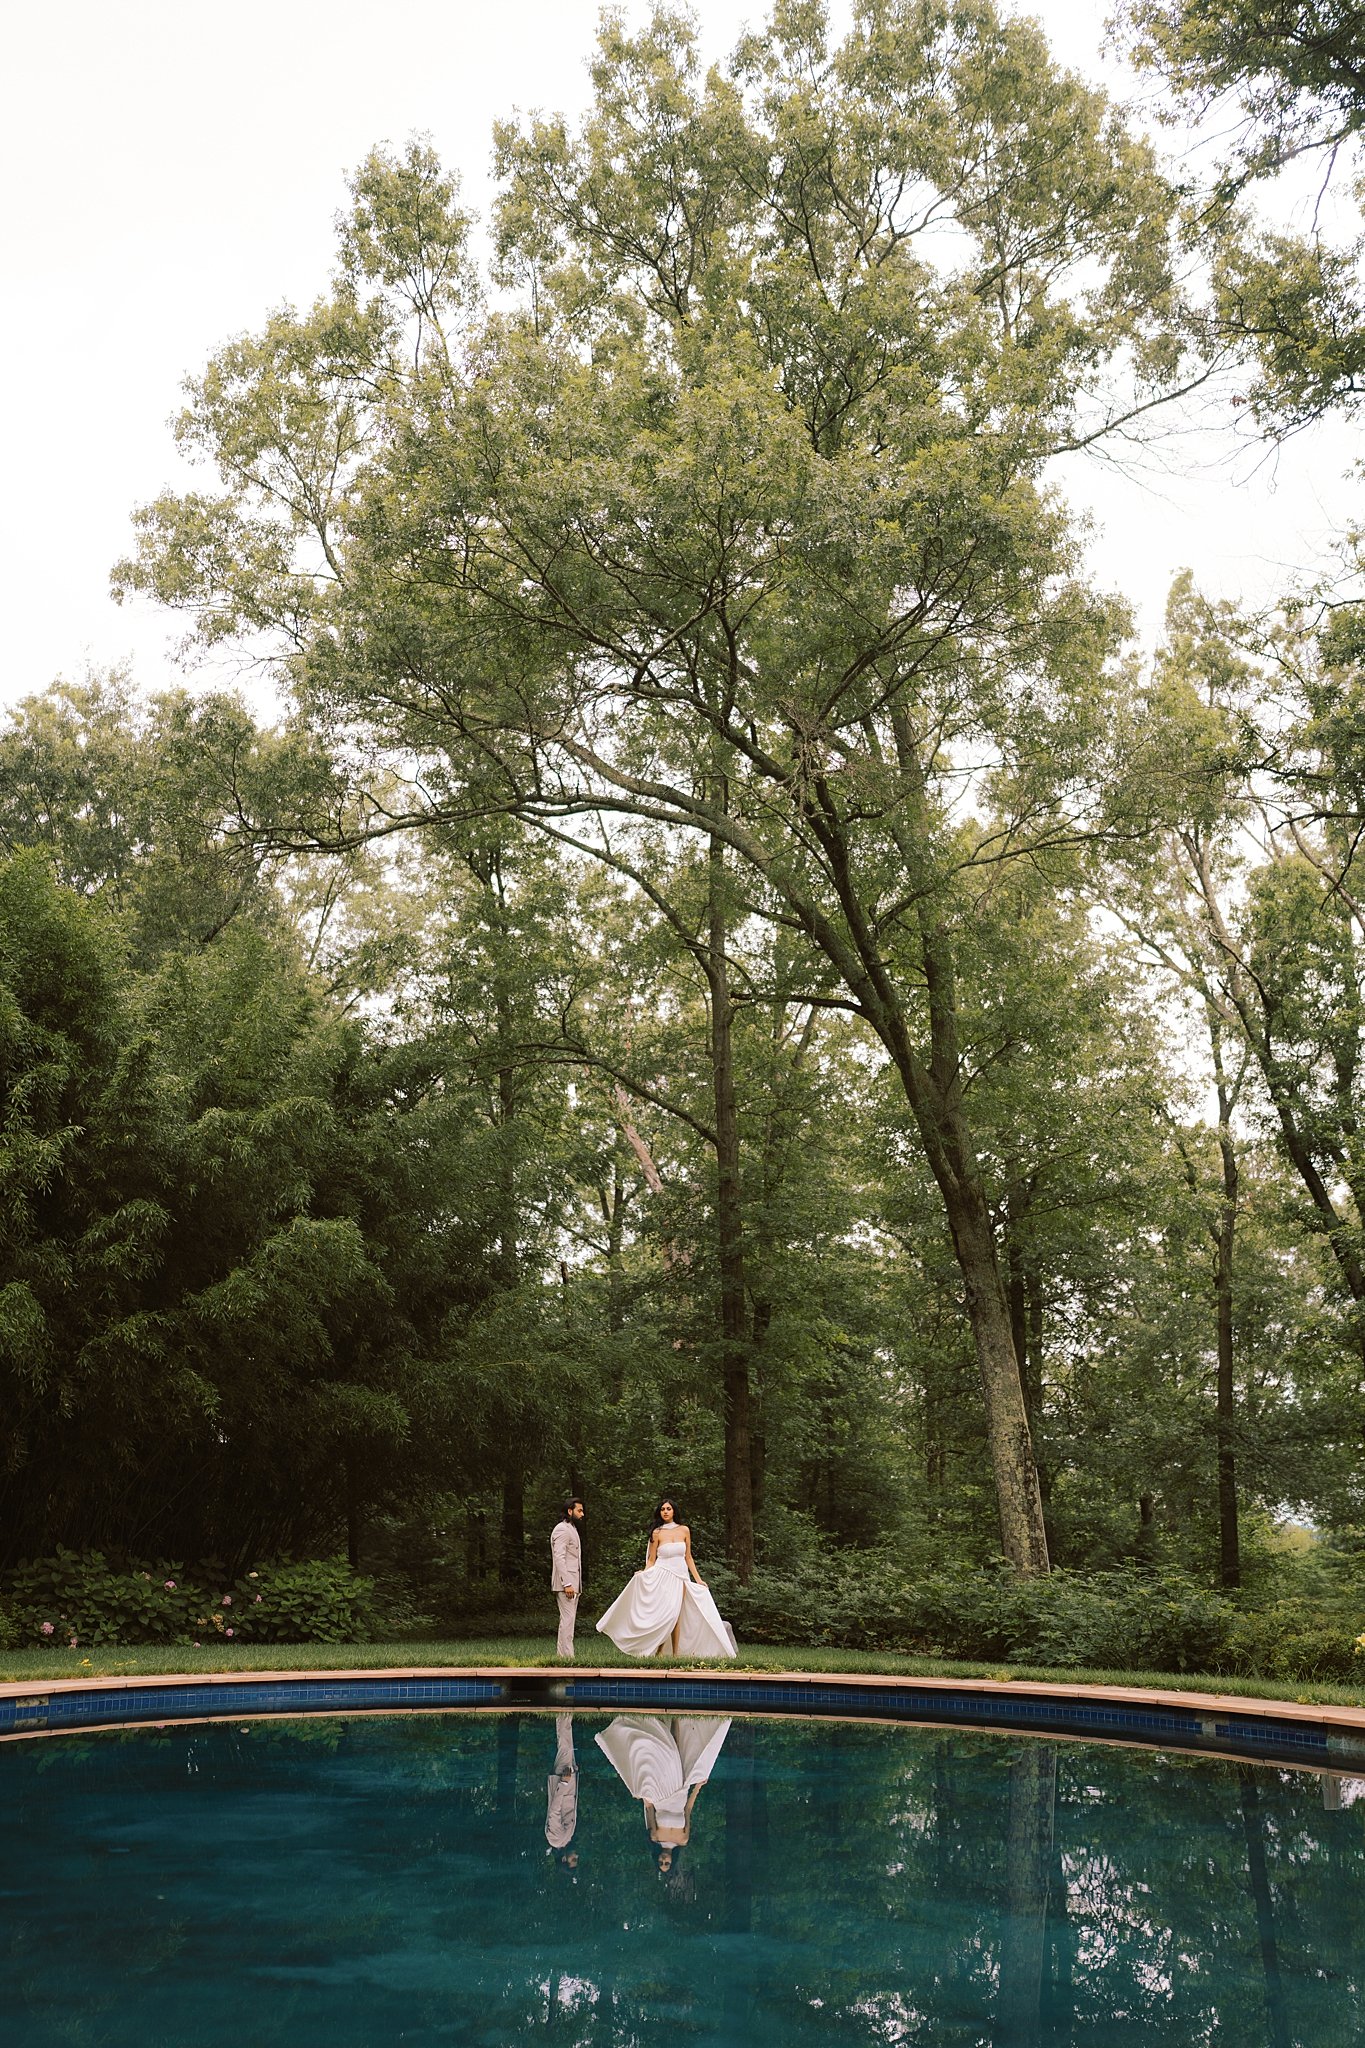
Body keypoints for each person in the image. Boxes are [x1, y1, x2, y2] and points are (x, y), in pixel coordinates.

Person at [595, 1498, 737, 1659]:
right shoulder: (657, 1533)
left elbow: (688, 1557)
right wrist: (644, 1571)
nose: (665, 1511)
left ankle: (675, 1654)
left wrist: (698, 1579)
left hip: (681, 1575)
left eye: (668, 1508)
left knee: (676, 1614)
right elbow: (651, 1559)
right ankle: (659, 1651)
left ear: (674, 1511)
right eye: (662, 1509)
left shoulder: (684, 1530)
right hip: (662, 1574)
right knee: (667, 1613)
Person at [594, 1712, 732, 1876]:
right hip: (680, 1792)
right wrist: (697, 1788)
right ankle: (676, 1716)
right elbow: (687, 1811)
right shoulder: (683, 1840)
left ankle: (655, 1721)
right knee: (678, 1751)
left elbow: (649, 1807)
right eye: (667, 1863)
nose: (664, 1860)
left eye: (661, 1862)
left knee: (669, 1752)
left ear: (657, 1858)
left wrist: (642, 1792)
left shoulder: (655, 1836)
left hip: (661, 1791)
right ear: (672, 1861)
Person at [544, 1712, 579, 1869]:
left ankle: (563, 1711)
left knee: (564, 1746)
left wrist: (564, 1783)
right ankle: (565, 1713)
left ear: (564, 1859)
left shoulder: (555, 1839)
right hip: (569, 1780)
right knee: (567, 1746)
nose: (576, 1856)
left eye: (574, 1860)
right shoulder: (565, 1839)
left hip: (562, 1780)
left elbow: (554, 1811)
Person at [550, 1498, 585, 1660]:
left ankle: (562, 1657)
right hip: (566, 1584)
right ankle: (567, 1659)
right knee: (568, 1620)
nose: (582, 1514)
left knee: (568, 1620)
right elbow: (559, 1558)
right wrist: (567, 1583)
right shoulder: (562, 1529)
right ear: (570, 1511)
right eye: (579, 1511)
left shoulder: (571, 1528)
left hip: (573, 1583)